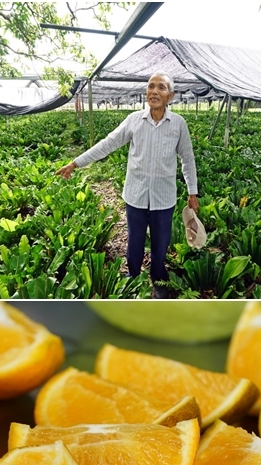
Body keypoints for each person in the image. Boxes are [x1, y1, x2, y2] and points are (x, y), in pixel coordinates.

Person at [56, 71, 199, 299]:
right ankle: (132, 277)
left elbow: (187, 158)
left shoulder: (178, 124)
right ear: (146, 92)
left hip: (164, 197)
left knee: (161, 242)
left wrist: (193, 192)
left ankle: (158, 277)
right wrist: (76, 163)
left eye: (161, 87)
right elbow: (108, 144)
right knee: (135, 240)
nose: (154, 91)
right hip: (136, 194)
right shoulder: (134, 120)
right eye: (151, 86)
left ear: (170, 96)